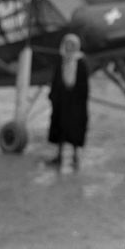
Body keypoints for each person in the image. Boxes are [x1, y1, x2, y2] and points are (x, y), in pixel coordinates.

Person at [47, 33, 89, 170]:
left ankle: (76, 158)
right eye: (67, 44)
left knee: (75, 128)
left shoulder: (81, 63)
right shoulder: (61, 61)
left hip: (76, 102)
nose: (69, 48)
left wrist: (80, 100)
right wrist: (53, 97)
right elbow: (55, 81)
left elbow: (84, 86)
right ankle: (59, 156)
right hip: (62, 101)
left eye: (72, 45)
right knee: (60, 127)